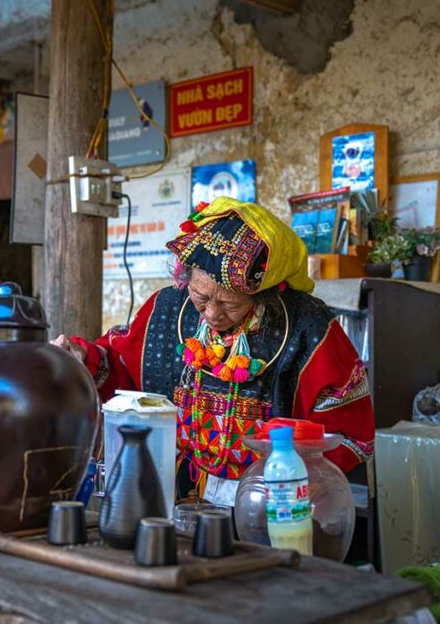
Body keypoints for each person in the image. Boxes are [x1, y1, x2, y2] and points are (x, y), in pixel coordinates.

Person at [54, 197, 374, 506]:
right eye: (200, 297)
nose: (211, 314)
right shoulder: (166, 308)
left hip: (273, 501)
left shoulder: (307, 325)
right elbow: (122, 369)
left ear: (262, 295)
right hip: (175, 493)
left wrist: (291, 470)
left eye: (230, 304)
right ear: (185, 279)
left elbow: (348, 425)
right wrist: (80, 360)